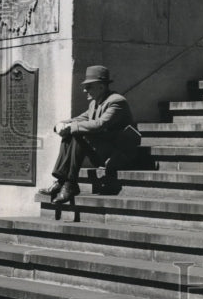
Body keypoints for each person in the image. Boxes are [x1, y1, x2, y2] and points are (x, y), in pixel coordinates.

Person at [39, 65, 139, 205]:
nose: (85, 90)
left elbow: (100, 124)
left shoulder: (117, 101)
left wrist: (71, 127)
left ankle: (70, 183)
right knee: (71, 133)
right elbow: (79, 119)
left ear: (101, 87)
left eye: (89, 86)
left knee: (77, 132)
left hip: (119, 156)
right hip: (103, 153)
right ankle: (62, 181)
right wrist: (61, 125)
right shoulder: (94, 104)